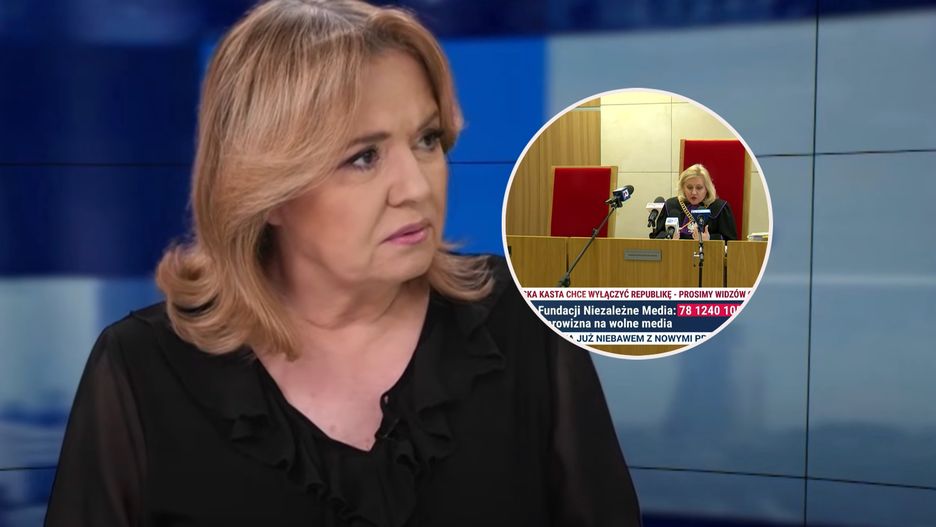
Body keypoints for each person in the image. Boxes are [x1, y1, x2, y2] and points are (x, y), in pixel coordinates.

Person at [45, 1, 642, 525]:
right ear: (266, 191)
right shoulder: (140, 369)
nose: (416, 187)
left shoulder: (528, 317)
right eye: (363, 157)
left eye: (427, 140)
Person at [650, 164, 738, 241]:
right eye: (689, 187)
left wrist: (710, 239)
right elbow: (657, 237)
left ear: (707, 188)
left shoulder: (719, 207)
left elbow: (731, 242)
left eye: (699, 188)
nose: (694, 192)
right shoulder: (671, 205)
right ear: (683, 187)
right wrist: (668, 238)